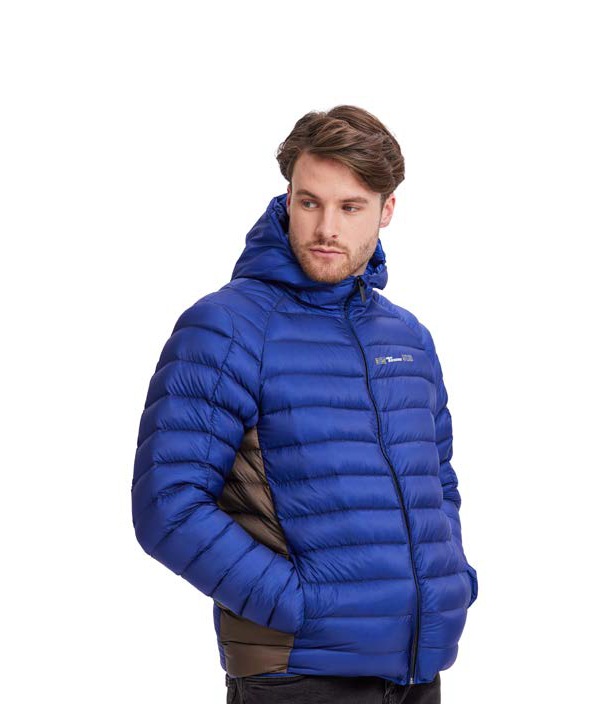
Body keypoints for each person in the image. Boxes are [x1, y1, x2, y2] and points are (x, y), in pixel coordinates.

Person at [131, 105, 478, 704]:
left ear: (386, 211)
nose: (326, 229)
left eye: (351, 207)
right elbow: (168, 504)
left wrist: (452, 582)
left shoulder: (407, 337)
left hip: (418, 672)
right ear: (288, 197)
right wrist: (300, 606)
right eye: (310, 202)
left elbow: (438, 482)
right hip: (298, 677)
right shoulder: (228, 327)